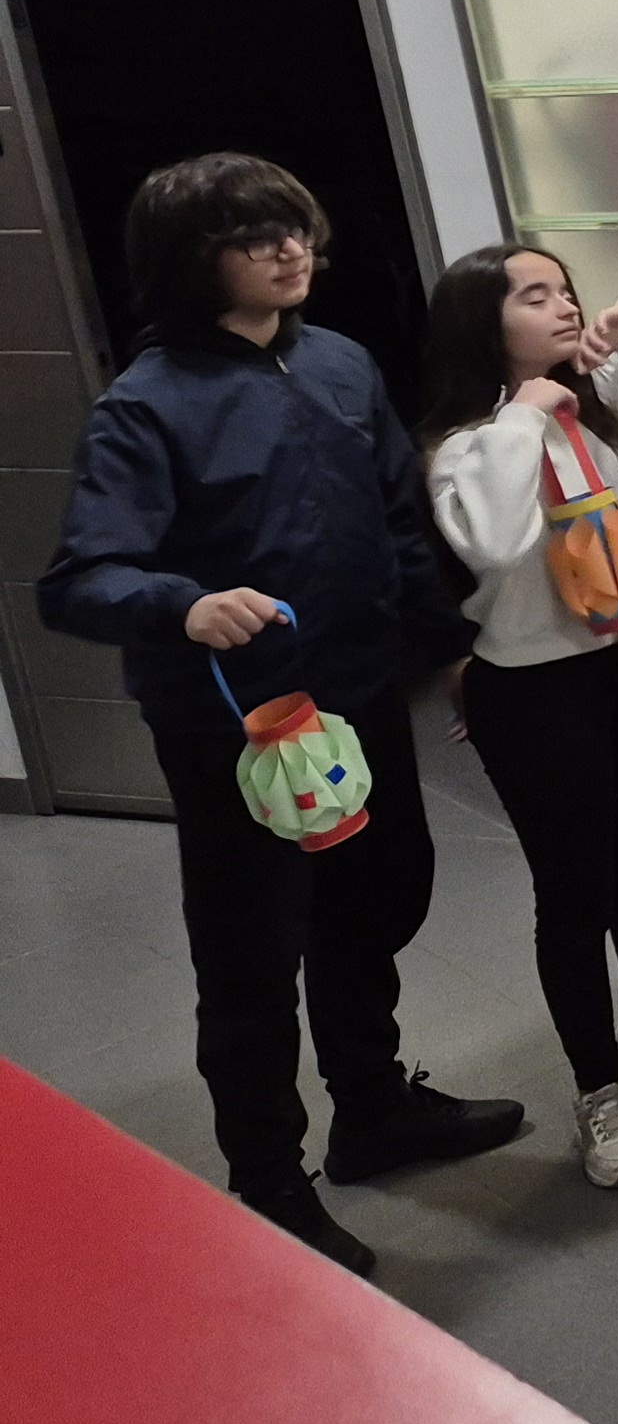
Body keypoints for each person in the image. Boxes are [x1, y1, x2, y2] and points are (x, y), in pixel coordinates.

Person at [36, 154, 520, 1271]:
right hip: (237, 731)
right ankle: (266, 1182)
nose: (289, 250)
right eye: (254, 238)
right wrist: (183, 603)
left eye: (295, 228)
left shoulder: (339, 362)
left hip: (360, 697)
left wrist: (451, 651)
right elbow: (78, 581)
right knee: (251, 958)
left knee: (374, 902)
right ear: (188, 262)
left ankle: (373, 1108)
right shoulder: (145, 406)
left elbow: (399, 527)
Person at [419, 240, 618, 1191]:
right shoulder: (467, 445)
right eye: (533, 297)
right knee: (576, 893)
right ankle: (598, 1089)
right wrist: (524, 417)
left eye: (563, 289)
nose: (564, 306)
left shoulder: (600, 400)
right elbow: (497, 543)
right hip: (534, 689)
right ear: (482, 323)